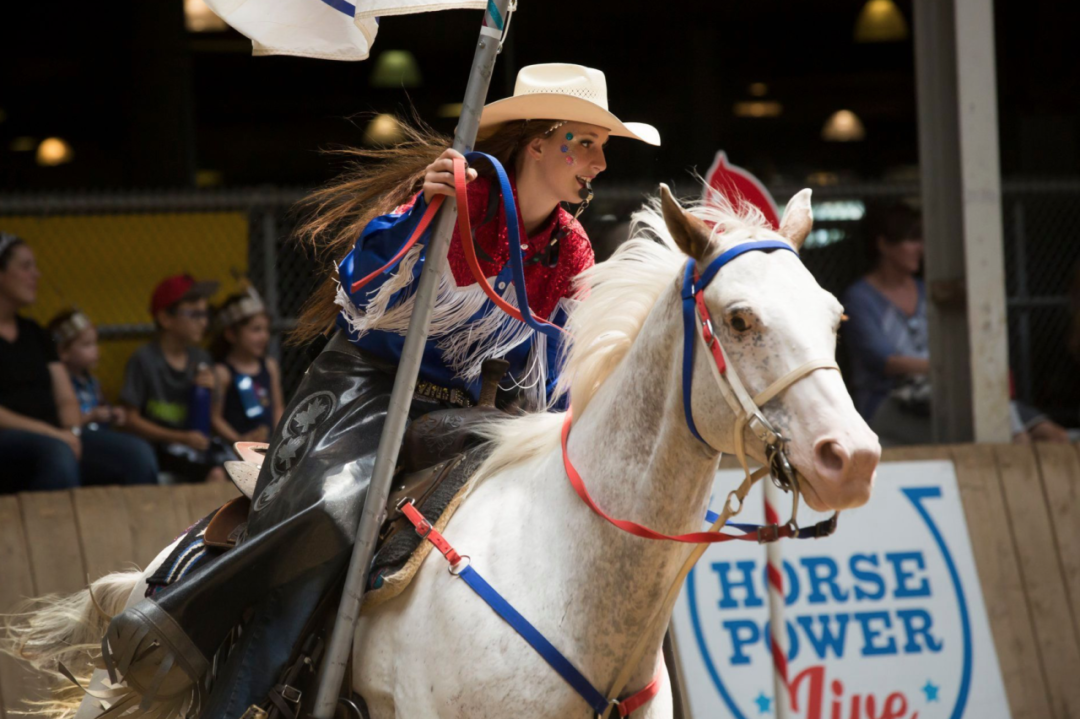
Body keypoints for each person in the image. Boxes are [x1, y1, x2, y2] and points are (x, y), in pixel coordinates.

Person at [100, 63, 660, 718]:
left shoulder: (570, 250)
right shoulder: (461, 196)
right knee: (336, 513)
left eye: (601, 146)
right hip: (365, 383)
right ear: (537, 142)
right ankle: (208, 664)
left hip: (468, 411)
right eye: (583, 141)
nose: (597, 161)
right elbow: (364, 286)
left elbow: (560, 373)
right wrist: (425, 211)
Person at [842, 203, 1068, 445]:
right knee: (1013, 438)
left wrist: (955, 371)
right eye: (912, 240)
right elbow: (885, 362)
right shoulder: (859, 298)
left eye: (923, 240)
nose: (921, 249)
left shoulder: (926, 291)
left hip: (949, 392)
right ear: (883, 244)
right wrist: (950, 369)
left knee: (1051, 434)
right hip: (890, 403)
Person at [0, 233, 157, 492]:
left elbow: (66, 398)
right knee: (57, 454)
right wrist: (53, 434)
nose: (36, 275)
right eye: (26, 266)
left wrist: (72, 431)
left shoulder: (35, 333)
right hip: (14, 438)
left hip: (57, 435)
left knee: (137, 454)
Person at [119, 273, 228, 483]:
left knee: (236, 465)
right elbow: (129, 420)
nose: (203, 322)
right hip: (159, 446)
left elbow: (214, 420)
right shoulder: (144, 359)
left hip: (193, 444)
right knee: (214, 473)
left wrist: (214, 390)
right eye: (194, 315)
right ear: (165, 319)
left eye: (206, 314)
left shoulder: (201, 358)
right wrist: (181, 438)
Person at [209, 286, 284, 445]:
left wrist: (279, 439)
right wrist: (240, 441)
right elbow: (215, 418)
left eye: (266, 329)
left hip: (268, 445)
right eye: (256, 329)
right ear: (231, 334)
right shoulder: (222, 372)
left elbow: (278, 408)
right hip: (235, 449)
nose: (264, 336)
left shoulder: (270, 366)